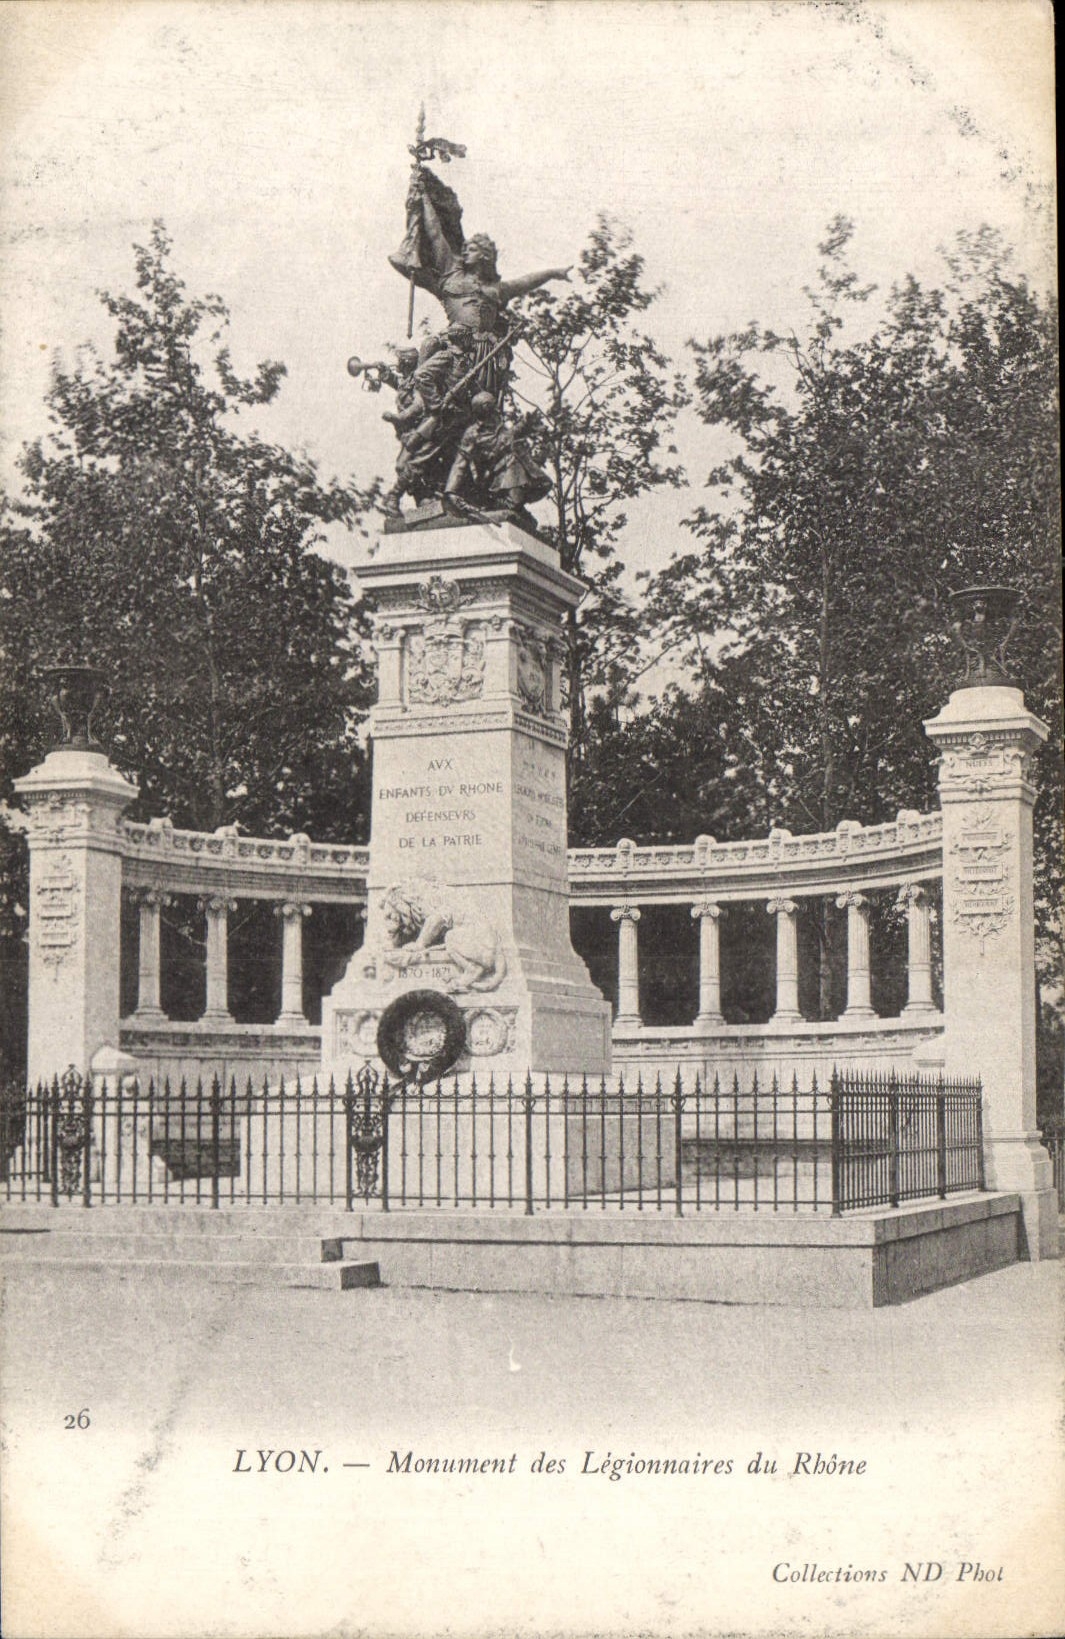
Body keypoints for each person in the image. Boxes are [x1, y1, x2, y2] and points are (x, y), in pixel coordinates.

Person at [391, 167, 571, 399]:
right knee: (427, 354)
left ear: (485, 255)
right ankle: (420, 406)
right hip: (454, 343)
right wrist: (423, 195)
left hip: (485, 352)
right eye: (465, 247)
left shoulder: (497, 290)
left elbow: (526, 281)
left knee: (481, 402)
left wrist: (554, 272)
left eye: (472, 248)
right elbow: (435, 233)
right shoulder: (450, 274)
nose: (465, 249)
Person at [445, 391, 552, 518]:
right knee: (513, 475)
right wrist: (451, 491)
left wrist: (525, 422)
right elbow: (460, 464)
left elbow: (508, 436)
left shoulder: (499, 426)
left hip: (507, 468)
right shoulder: (472, 433)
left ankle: (511, 503)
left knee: (542, 483)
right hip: (488, 478)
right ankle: (498, 503)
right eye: (492, 405)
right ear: (485, 408)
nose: (496, 408)